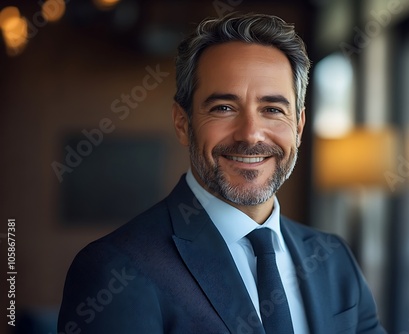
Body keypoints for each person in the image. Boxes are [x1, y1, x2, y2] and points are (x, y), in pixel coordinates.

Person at [58, 13, 386, 334]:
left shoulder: (333, 258)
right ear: (182, 123)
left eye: (273, 110)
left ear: (298, 126)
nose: (250, 134)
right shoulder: (116, 269)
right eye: (224, 108)